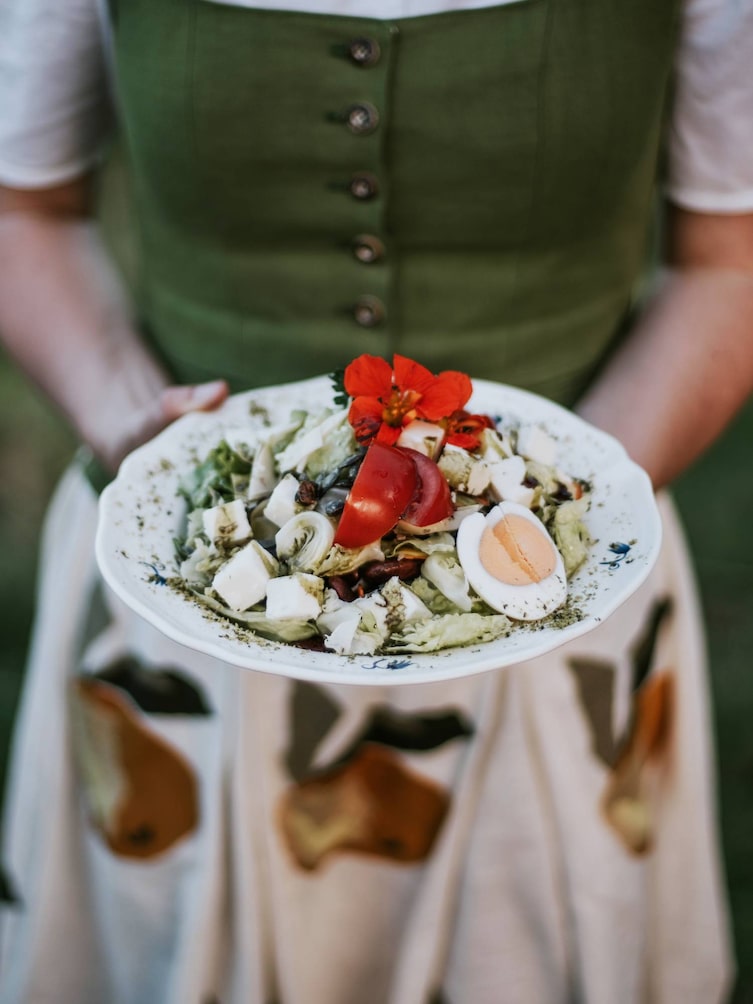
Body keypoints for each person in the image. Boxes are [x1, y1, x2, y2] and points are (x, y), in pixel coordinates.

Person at [0, 0, 751, 1001]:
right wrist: (130, 415)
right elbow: (21, 210)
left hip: (562, 613)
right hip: (179, 615)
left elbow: (730, 258)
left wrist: (574, 495)